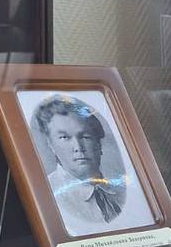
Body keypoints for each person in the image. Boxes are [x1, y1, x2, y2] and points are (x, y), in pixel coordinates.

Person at [34, 95, 129, 229]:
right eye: (64, 137)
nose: (78, 147)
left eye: (85, 137)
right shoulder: (47, 194)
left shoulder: (121, 189)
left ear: (98, 144)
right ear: (51, 145)